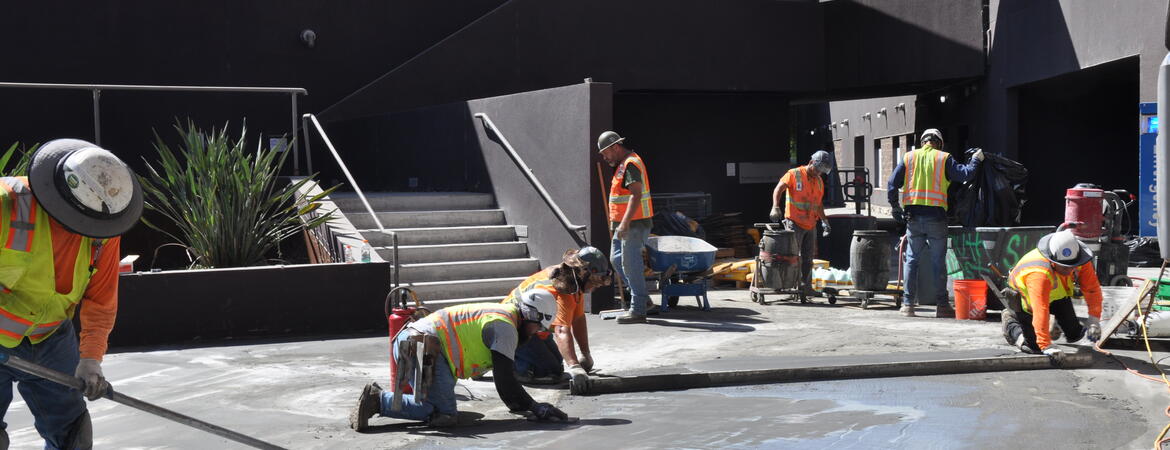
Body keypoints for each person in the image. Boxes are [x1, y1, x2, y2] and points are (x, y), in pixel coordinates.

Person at [0, 139, 143, 449]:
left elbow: (101, 300)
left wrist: (91, 360)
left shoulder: (102, 232)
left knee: (73, 436)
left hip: (51, 338)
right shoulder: (6, 205)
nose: (85, 231)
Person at [349, 294, 570, 430]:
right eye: (538, 327)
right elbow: (505, 379)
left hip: (416, 343)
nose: (536, 334)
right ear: (531, 315)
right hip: (422, 347)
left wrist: (519, 405)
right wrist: (534, 407)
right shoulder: (505, 328)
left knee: (438, 407)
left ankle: (390, 400)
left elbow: (503, 376)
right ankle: (378, 400)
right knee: (441, 413)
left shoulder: (505, 316)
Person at [887, 129, 983, 317]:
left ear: (923, 142)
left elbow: (892, 183)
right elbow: (965, 174)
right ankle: (942, 305)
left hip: (913, 218)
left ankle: (908, 305)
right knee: (938, 261)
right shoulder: (943, 158)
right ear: (939, 143)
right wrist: (977, 159)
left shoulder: (909, 157)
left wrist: (894, 207)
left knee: (911, 261)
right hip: (937, 218)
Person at [504, 247, 610, 392]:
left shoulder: (573, 281)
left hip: (531, 327)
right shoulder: (561, 287)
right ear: (583, 273)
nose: (595, 286)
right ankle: (507, 364)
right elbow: (561, 330)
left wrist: (585, 354)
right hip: (510, 328)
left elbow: (578, 319)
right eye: (594, 280)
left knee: (557, 364)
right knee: (547, 370)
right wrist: (574, 367)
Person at [1002, 229, 1102, 363]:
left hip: (1056, 294)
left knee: (1075, 334)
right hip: (1027, 299)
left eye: (1072, 266)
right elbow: (1040, 308)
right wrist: (1045, 344)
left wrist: (1094, 319)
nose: (1069, 270)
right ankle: (1011, 323)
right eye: (1064, 267)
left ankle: (1054, 325)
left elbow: (1092, 289)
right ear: (1052, 261)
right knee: (1034, 347)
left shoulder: (1080, 259)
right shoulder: (1039, 273)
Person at [598, 131, 654, 324]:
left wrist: (624, 223)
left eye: (606, 152)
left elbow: (636, 195)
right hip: (626, 224)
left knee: (630, 264)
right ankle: (644, 300)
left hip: (634, 223)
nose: (604, 157)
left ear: (616, 147)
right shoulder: (624, 164)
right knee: (616, 259)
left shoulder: (630, 164)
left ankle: (638, 309)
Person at [770, 151, 833, 295]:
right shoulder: (794, 174)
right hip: (794, 222)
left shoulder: (818, 181)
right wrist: (775, 206)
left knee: (808, 258)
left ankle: (806, 287)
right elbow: (778, 188)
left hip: (810, 224)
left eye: (822, 171)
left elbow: (818, 204)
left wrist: (824, 220)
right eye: (817, 169)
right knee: (792, 255)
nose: (818, 173)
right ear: (811, 163)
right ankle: (790, 285)